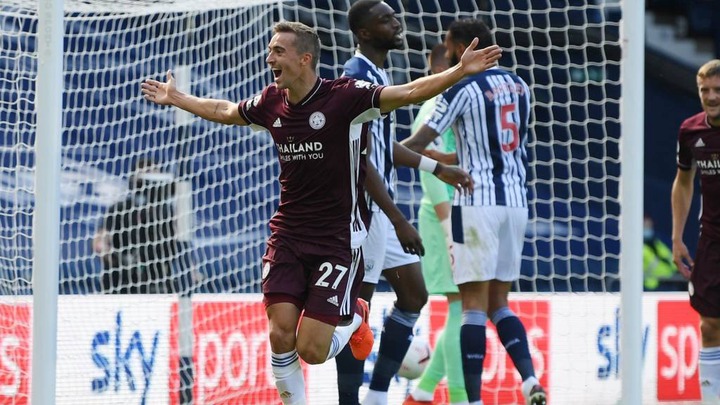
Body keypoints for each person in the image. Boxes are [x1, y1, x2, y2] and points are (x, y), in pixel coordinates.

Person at [141, 21, 501, 405]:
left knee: (312, 350)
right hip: (287, 236)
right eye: (270, 50)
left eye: (278, 51)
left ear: (304, 58)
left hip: (336, 240)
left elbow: (410, 92)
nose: (269, 58)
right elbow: (225, 110)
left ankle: (356, 316)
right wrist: (177, 97)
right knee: (280, 334)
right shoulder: (271, 101)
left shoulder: (345, 96)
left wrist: (458, 71)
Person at [336, 3, 476, 405]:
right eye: (385, 19)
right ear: (364, 32)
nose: (396, 23)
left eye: (395, 16)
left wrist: (436, 167)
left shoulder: (378, 75)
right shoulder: (355, 77)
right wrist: (398, 219)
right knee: (356, 312)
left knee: (414, 295)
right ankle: (350, 400)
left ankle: (378, 395)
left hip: (382, 210)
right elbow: (359, 161)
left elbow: (383, 147)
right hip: (364, 212)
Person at [402, 18, 546, 405]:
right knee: (500, 303)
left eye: (448, 46)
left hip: (474, 203)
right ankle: (530, 379)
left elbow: (417, 142)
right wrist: (449, 159)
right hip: (515, 203)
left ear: (461, 46)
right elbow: (496, 148)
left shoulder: (460, 87)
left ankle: (473, 400)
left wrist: (380, 149)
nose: (447, 53)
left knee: (471, 308)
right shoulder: (520, 85)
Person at [402, 43, 468, 405]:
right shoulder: (433, 109)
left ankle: (423, 393)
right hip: (443, 218)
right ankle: (457, 397)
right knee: (462, 306)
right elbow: (427, 169)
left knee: (465, 306)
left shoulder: (453, 105)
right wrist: (447, 227)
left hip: (459, 216)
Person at [672, 58, 720, 402]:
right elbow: (683, 181)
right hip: (712, 242)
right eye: (705, 90)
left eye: (718, 90)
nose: (712, 96)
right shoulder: (690, 131)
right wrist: (677, 237)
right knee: (709, 325)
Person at [93, 158, 179, 294]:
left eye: (154, 174)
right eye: (146, 174)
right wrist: (106, 250)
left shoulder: (166, 212)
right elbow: (100, 239)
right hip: (122, 280)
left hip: (157, 280)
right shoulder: (119, 209)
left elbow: (179, 244)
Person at [643, 214, 678, 291]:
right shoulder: (635, 248)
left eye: (649, 226)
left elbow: (672, 261)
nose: (648, 229)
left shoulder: (657, 243)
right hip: (649, 287)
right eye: (645, 226)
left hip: (668, 282)